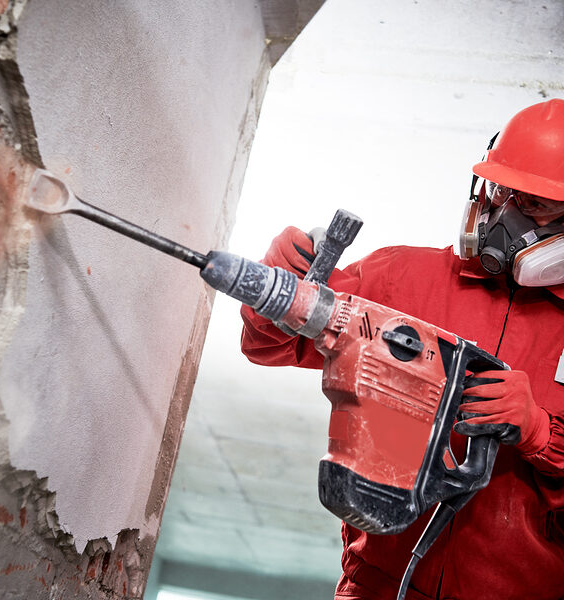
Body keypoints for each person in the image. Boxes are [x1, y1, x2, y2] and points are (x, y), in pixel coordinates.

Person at [240, 99, 564, 600]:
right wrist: (280, 287)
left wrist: (542, 432)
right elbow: (269, 346)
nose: (504, 218)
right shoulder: (402, 277)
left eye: (535, 204)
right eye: (501, 191)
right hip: (377, 587)